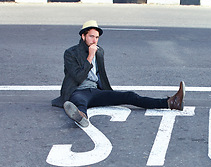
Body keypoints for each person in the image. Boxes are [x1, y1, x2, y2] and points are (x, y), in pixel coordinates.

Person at [52, 20, 185, 127]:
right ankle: (81, 117)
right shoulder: (70, 53)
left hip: (95, 92)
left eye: (97, 37)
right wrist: (90, 57)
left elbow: (101, 76)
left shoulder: (99, 52)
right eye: (91, 36)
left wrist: (109, 93)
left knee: (129, 96)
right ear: (83, 36)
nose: (94, 40)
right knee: (80, 102)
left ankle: (171, 102)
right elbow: (78, 77)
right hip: (77, 91)